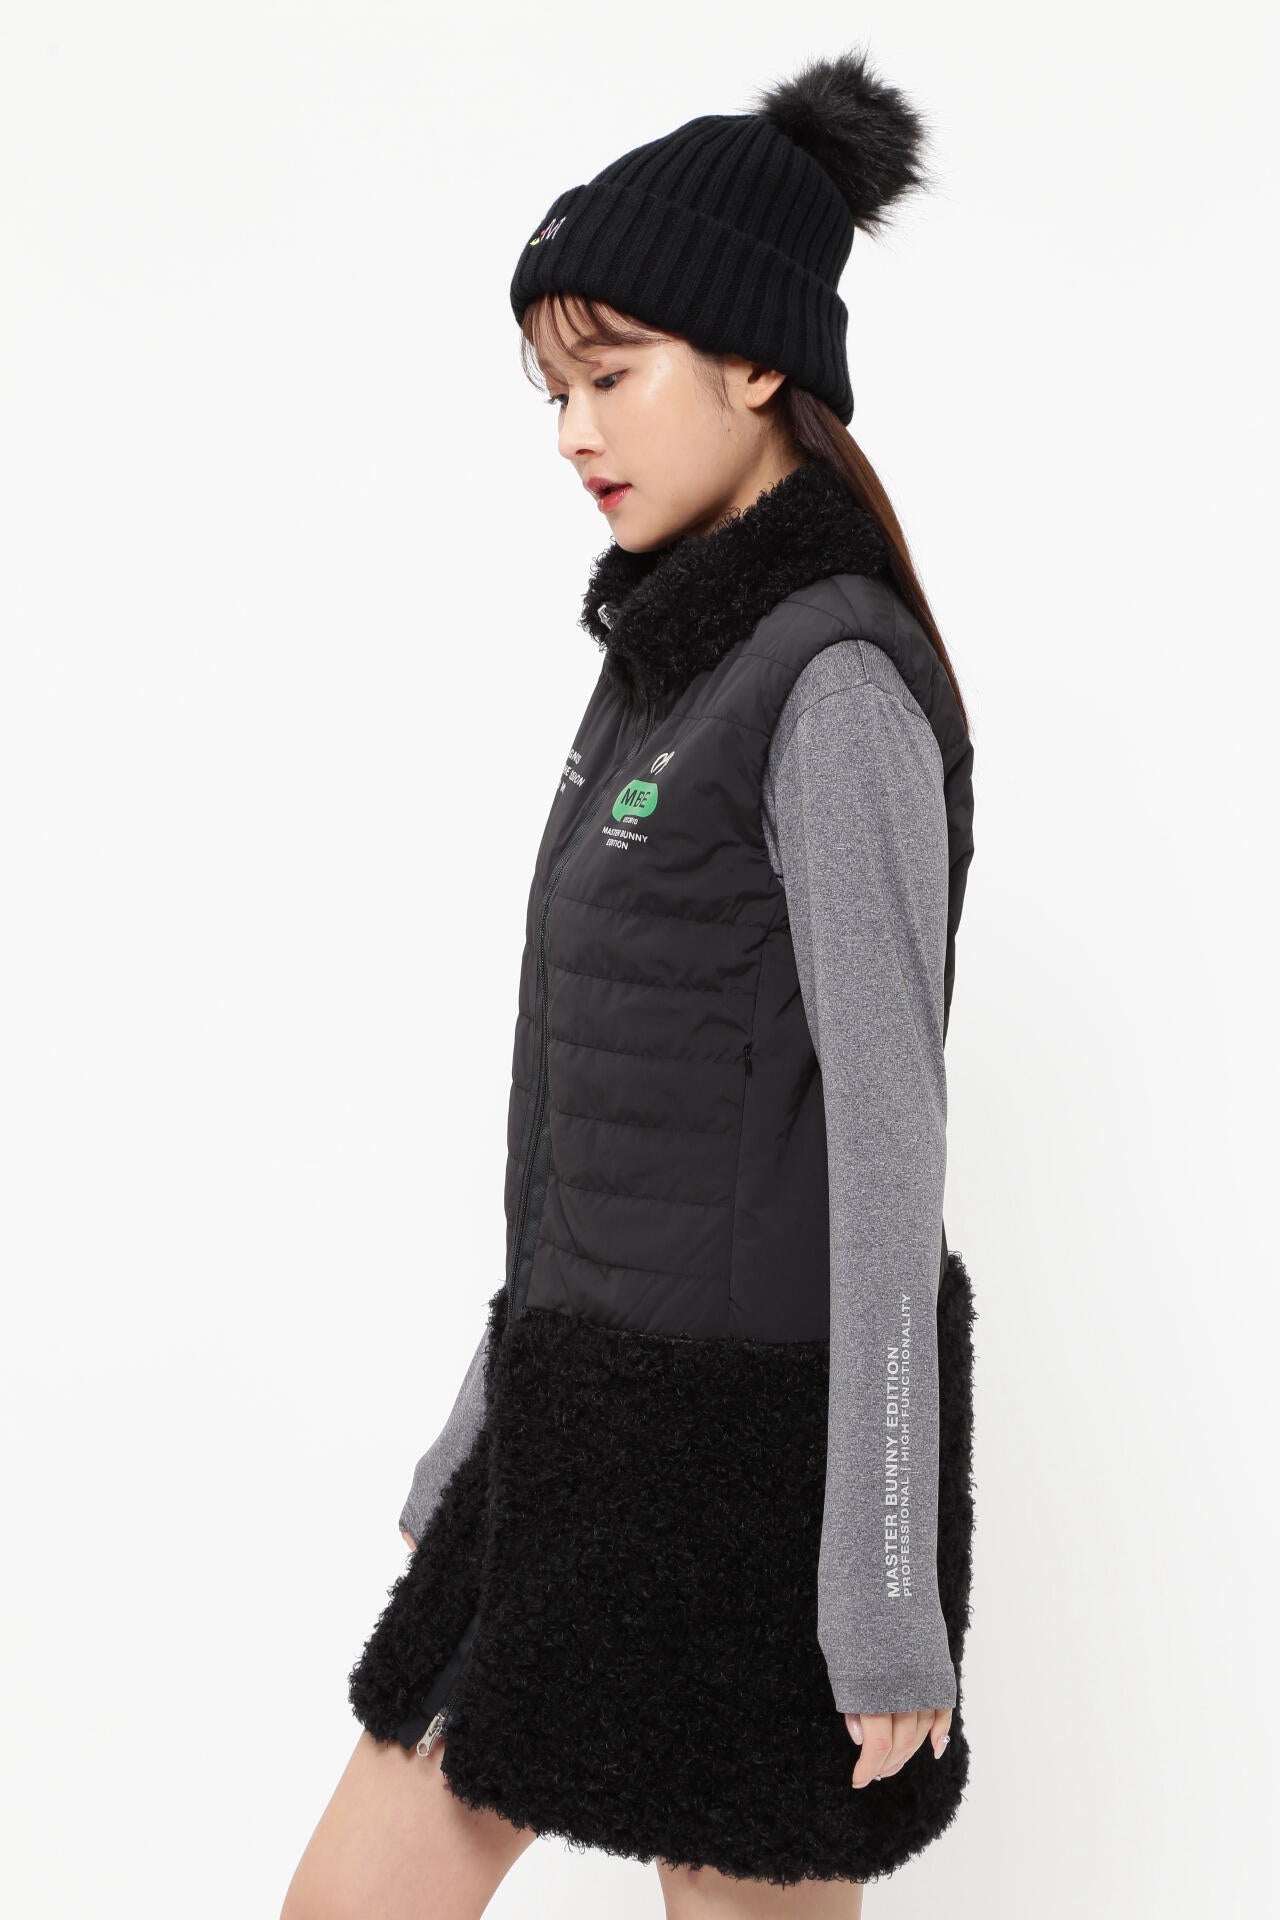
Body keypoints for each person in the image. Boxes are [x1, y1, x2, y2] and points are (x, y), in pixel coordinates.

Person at [283, 44, 978, 1920]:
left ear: (755, 363)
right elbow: (603, 1115)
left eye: (614, 374)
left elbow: (887, 1155)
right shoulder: (660, 672)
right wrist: (484, 1422)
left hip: (753, 1481)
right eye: (556, 390)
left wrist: (883, 1587)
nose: (575, 431)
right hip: (577, 1432)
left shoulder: (833, 687)